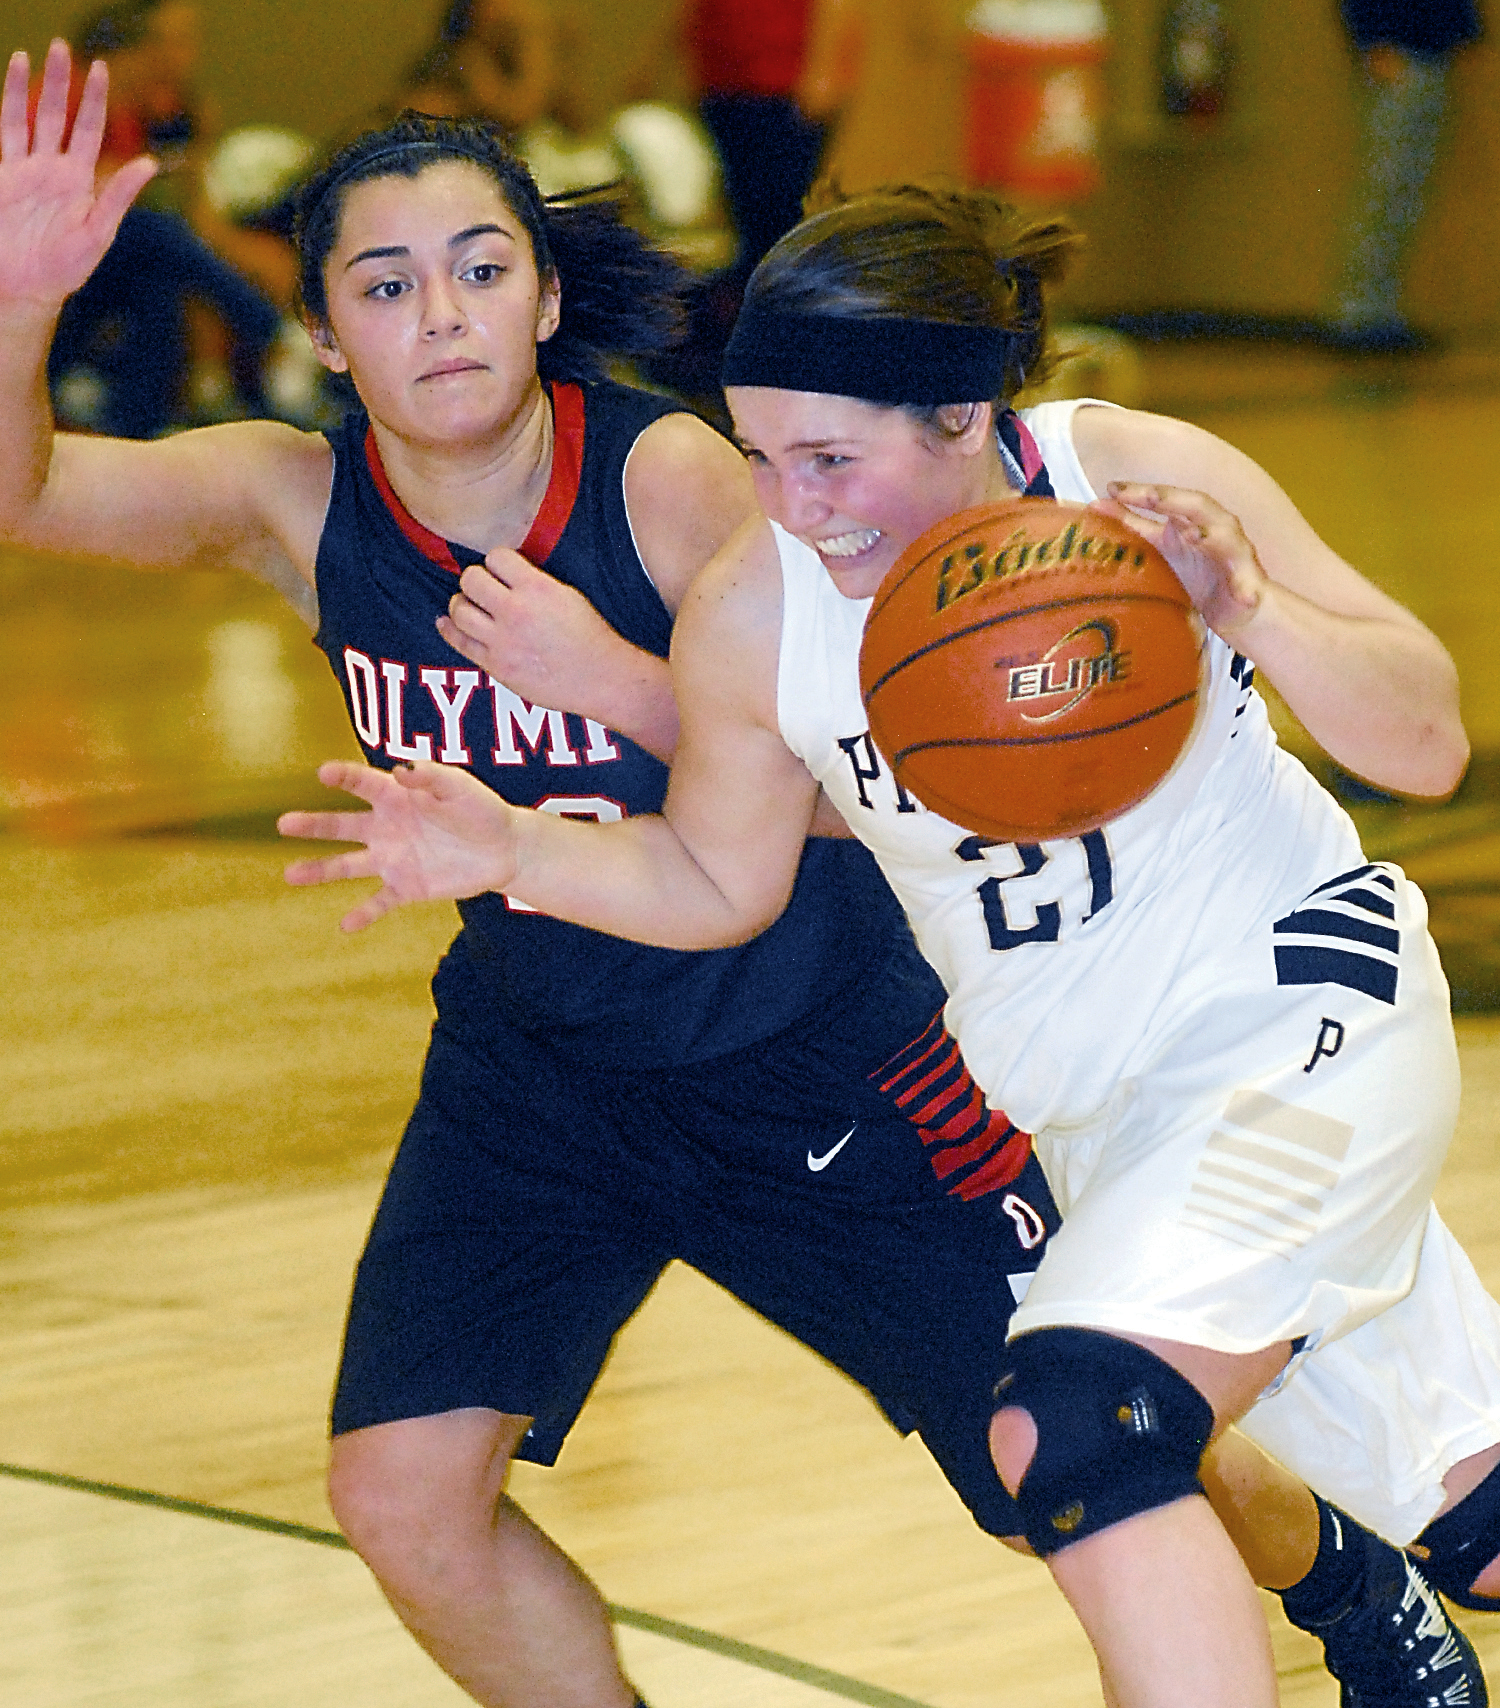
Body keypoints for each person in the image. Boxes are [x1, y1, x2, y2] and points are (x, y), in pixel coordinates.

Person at [0, 44, 1480, 1708]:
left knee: (1068, 1459)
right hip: (579, 1056)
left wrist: (608, 681)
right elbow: (29, 490)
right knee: (403, 1492)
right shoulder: (345, 506)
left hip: (844, 1050)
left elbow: (896, 798)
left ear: (547, 296)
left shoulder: (715, 488)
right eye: (387, 282)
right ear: (322, 326)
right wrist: (19, 302)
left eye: (482, 269)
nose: (439, 315)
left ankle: (1350, 1585)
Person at [1322, 0, 1484, 352]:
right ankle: (1358, 313)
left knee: (1407, 195)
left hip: (1433, 59)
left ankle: (1381, 311)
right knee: (1386, 190)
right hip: (1399, 61)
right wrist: (1372, 42)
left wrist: (1464, 33)